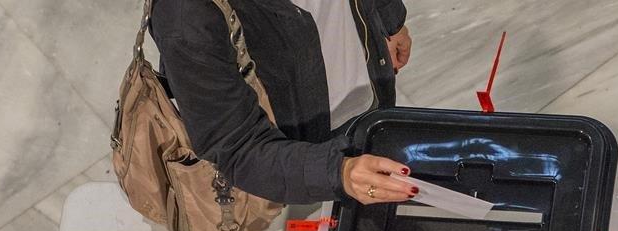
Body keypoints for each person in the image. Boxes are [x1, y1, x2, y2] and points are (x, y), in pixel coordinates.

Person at [149, 0, 417, 206]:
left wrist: (390, 19)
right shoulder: (184, 15)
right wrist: (338, 173)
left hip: (369, 105)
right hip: (292, 160)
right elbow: (237, 146)